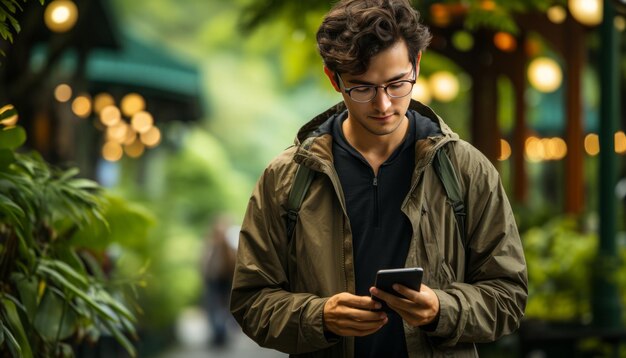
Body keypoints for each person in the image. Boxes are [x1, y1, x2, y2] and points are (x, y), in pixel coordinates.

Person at [230, 0, 528, 356]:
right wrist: (319, 316)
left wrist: (441, 309)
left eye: (397, 83)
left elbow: (509, 296)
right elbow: (250, 300)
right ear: (333, 78)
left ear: (417, 64)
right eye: (363, 88)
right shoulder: (286, 177)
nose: (384, 105)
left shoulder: (466, 170)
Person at [201, 215, 237, 347]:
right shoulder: (213, 244)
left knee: (218, 309)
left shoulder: (223, 246)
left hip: (220, 282)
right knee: (218, 309)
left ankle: (220, 336)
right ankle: (219, 335)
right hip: (216, 281)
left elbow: (205, 263)